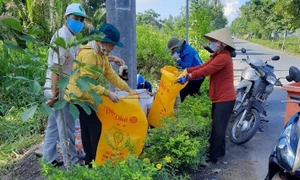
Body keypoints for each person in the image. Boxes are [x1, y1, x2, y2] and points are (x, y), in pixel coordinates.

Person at [65, 23, 134, 168]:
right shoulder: (89, 54)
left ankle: (90, 161)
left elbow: (112, 76)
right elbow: (85, 83)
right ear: (104, 42)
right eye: (112, 45)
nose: (113, 48)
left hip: (86, 96)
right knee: (95, 126)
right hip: (78, 96)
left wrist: (129, 90)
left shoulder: (101, 54)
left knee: (87, 127)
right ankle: (94, 160)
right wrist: (107, 93)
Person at [177, 28, 236, 163]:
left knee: (218, 129)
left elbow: (206, 70)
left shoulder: (223, 57)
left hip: (225, 98)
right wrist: (186, 70)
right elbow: (202, 66)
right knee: (218, 126)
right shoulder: (217, 55)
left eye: (215, 41)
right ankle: (220, 152)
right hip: (220, 97)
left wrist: (189, 76)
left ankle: (212, 157)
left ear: (221, 43)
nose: (212, 43)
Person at [42, 3, 86, 167]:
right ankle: (72, 166)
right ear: (66, 17)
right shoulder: (63, 37)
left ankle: (48, 160)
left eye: (81, 19)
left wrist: (109, 58)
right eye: (76, 18)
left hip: (59, 88)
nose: (79, 22)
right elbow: (56, 69)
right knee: (66, 129)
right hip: (58, 89)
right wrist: (55, 95)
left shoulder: (71, 37)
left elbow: (82, 53)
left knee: (53, 126)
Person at [167, 37, 204, 102]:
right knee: (193, 92)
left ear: (177, 46)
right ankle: (201, 102)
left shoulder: (188, 51)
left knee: (184, 91)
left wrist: (178, 59)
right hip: (195, 73)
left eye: (173, 49)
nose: (173, 51)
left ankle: (187, 107)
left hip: (198, 75)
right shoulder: (182, 49)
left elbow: (187, 66)